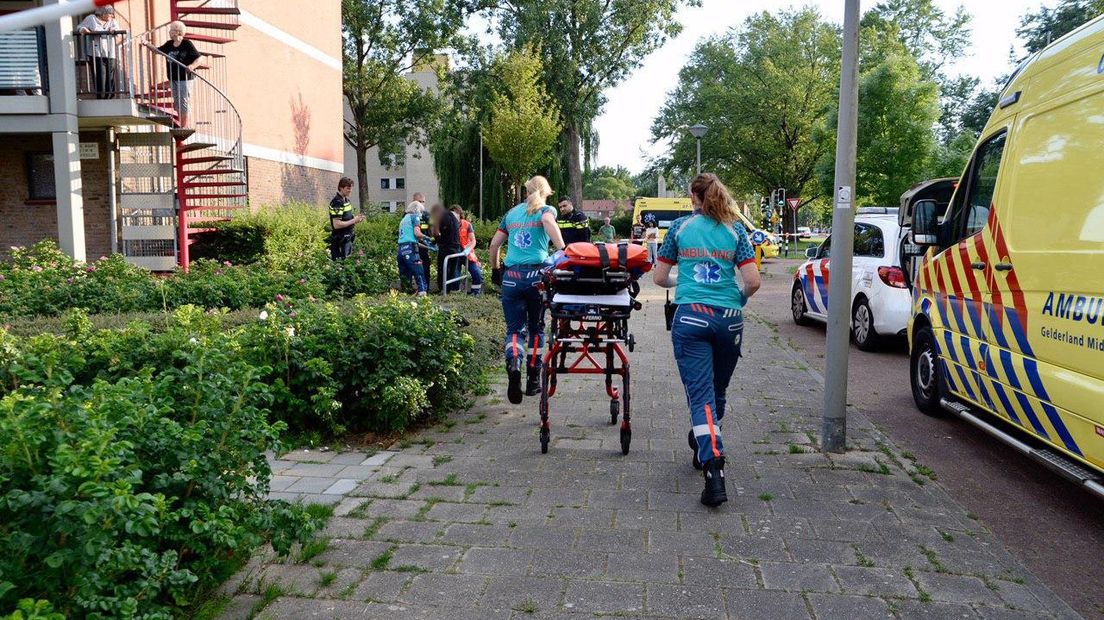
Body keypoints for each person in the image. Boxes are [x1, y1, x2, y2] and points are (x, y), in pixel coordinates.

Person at [652, 173, 761, 508]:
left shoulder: (680, 229)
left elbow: (659, 278)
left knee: (700, 398)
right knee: (717, 392)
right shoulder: (735, 230)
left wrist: (682, 279)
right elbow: (753, 281)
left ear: (692, 197)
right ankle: (706, 436)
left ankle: (713, 467)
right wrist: (736, 301)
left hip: (692, 318)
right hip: (729, 321)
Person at [489, 176, 566, 404]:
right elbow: (550, 224)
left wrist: (495, 269)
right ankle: (533, 380)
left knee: (514, 330)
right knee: (536, 328)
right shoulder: (546, 209)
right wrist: (563, 250)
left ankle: (514, 362)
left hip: (511, 278)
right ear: (545, 192)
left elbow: (494, 244)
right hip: (536, 278)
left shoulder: (511, 214)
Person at [157, 21, 203, 128]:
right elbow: (157, 51)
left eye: (171, 30)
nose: (169, 32)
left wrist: (192, 66)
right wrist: (147, 44)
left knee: (183, 101)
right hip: (173, 78)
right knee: (177, 102)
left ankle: (184, 126)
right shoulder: (169, 44)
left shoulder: (187, 44)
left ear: (177, 32)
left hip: (185, 78)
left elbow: (200, 58)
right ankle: (181, 124)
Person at [77, 6, 121, 99]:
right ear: (103, 13)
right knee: (100, 77)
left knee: (110, 77)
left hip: (110, 53)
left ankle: (109, 98)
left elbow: (117, 29)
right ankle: (101, 98)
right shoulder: (91, 18)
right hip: (96, 53)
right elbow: (79, 27)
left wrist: (114, 30)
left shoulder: (112, 21)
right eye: (110, 13)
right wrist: (84, 30)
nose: (111, 15)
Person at [451, 205, 484, 296]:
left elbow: (473, 240)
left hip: (467, 253)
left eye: (456, 213)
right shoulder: (449, 225)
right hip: (455, 253)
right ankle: (455, 292)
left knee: (476, 272)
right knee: (455, 274)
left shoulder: (467, 224)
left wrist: (467, 249)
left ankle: (475, 292)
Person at [397, 202, 429, 296]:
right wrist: (428, 238)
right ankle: (422, 294)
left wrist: (427, 247)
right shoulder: (415, 217)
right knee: (418, 270)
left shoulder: (403, 219)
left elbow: (410, 240)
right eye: (421, 211)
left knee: (405, 274)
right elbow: (417, 234)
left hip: (401, 249)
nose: (421, 214)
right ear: (417, 210)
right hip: (411, 250)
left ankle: (405, 294)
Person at [328, 177, 363, 260]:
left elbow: (347, 219)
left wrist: (357, 219)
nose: (350, 190)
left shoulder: (346, 200)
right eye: (348, 188)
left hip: (347, 239)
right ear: (341, 188)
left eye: (351, 188)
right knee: (341, 266)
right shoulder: (337, 202)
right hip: (340, 240)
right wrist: (354, 220)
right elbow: (336, 224)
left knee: (347, 264)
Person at [431, 203, 463, 293]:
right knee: (452, 270)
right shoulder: (455, 219)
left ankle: (442, 289)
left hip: (446, 248)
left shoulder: (440, 216)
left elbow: (436, 233)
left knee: (443, 269)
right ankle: (448, 290)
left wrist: (436, 241)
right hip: (456, 248)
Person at [410, 192, 433, 289]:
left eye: (423, 202)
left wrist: (432, 242)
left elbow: (432, 229)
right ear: (414, 202)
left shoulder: (427, 215)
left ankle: (426, 289)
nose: (421, 204)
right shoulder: (408, 215)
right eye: (419, 201)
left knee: (425, 267)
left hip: (424, 246)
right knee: (411, 268)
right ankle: (409, 289)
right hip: (412, 245)